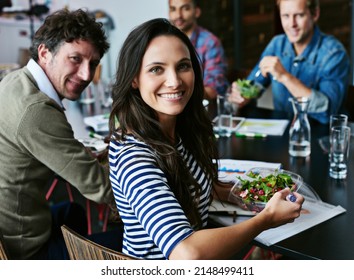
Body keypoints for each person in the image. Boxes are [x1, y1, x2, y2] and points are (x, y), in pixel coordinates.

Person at [108, 18, 304, 260]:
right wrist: (266, 219)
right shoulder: (134, 155)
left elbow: (195, 185)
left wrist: (250, 194)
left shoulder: (177, 129)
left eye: (183, 66)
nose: (175, 81)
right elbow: (187, 253)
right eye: (156, 69)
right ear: (134, 79)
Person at [0, 9, 121, 259]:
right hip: (22, 251)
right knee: (132, 244)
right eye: (75, 59)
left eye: (93, 63)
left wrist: (77, 155)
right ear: (45, 53)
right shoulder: (36, 110)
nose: (87, 75)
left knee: (72, 212)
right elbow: (102, 187)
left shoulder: (14, 81)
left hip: (11, 227)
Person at [228, 0, 350, 124]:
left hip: (322, 136)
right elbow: (254, 86)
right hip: (283, 133)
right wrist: (242, 94)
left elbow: (328, 111)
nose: (292, 24)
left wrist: (284, 76)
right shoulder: (277, 44)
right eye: (286, 16)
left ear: (315, 14)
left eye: (299, 15)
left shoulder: (334, 54)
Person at [168, 0, 230, 100]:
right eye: (173, 9)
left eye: (185, 8)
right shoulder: (164, 42)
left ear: (196, 12)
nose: (178, 15)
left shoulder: (210, 42)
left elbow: (213, 89)